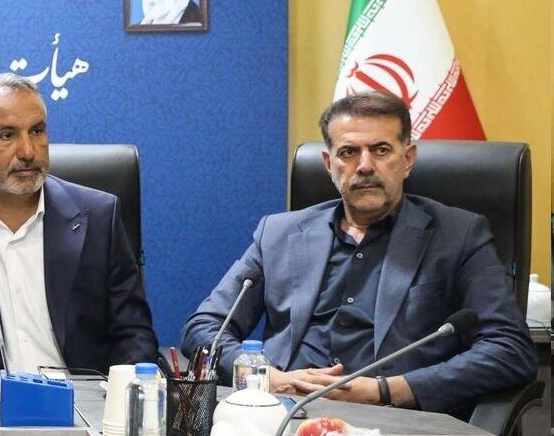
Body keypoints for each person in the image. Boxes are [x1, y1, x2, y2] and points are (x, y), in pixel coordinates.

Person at [180, 91, 536, 415]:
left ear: (408, 159)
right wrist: (268, 377)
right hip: (281, 416)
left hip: (396, 427)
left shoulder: (458, 235)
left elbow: (510, 350)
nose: (365, 165)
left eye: (381, 150)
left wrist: (387, 390)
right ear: (328, 163)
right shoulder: (279, 233)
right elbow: (204, 328)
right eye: (349, 152)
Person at [0, 74, 159, 374]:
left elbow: (134, 334)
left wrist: (115, 394)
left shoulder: (99, 216)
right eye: (7, 135)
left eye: (37, 131)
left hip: (80, 397)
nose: (28, 151)